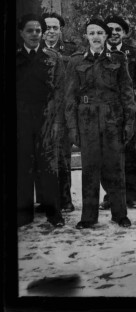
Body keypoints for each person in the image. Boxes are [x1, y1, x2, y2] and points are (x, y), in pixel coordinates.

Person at [65, 18, 136, 229]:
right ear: (86, 36)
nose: (95, 36)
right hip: (86, 120)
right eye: (91, 33)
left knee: (115, 167)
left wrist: (129, 123)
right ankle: (88, 217)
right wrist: (72, 128)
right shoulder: (76, 61)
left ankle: (119, 214)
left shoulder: (118, 59)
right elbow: (70, 99)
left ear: (106, 36)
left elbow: (127, 94)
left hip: (112, 118)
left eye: (99, 33)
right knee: (89, 169)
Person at [98, 15, 136, 210]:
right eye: (110, 29)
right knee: (106, 155)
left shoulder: (134, 53)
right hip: (105, 112)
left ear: (124, 33)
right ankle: (110, 195)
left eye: (118, 30)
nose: (114, 33)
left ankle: (131, 195)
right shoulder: (99, 52)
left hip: (129, 111)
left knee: (128, 154)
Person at [17, 14, 65, 228]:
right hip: (21, 120)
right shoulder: (15, 58)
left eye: (38, 30)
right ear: (21, 33)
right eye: (30, 31)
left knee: (48, 167)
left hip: (47, 119)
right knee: (24, 166)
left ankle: (54, 213)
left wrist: (55, 121)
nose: (35, 34)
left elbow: (61, 90)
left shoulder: (53, 58)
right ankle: (23, 214)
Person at [39, 12, 79, 213]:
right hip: (39, 113)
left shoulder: (71, 50)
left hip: (62, 113)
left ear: (60, 30)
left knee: (62, 157)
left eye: (55, 28)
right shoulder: (33, 51)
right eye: (47, 28)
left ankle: (65, 200)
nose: (51, 32)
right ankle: (46, 200)